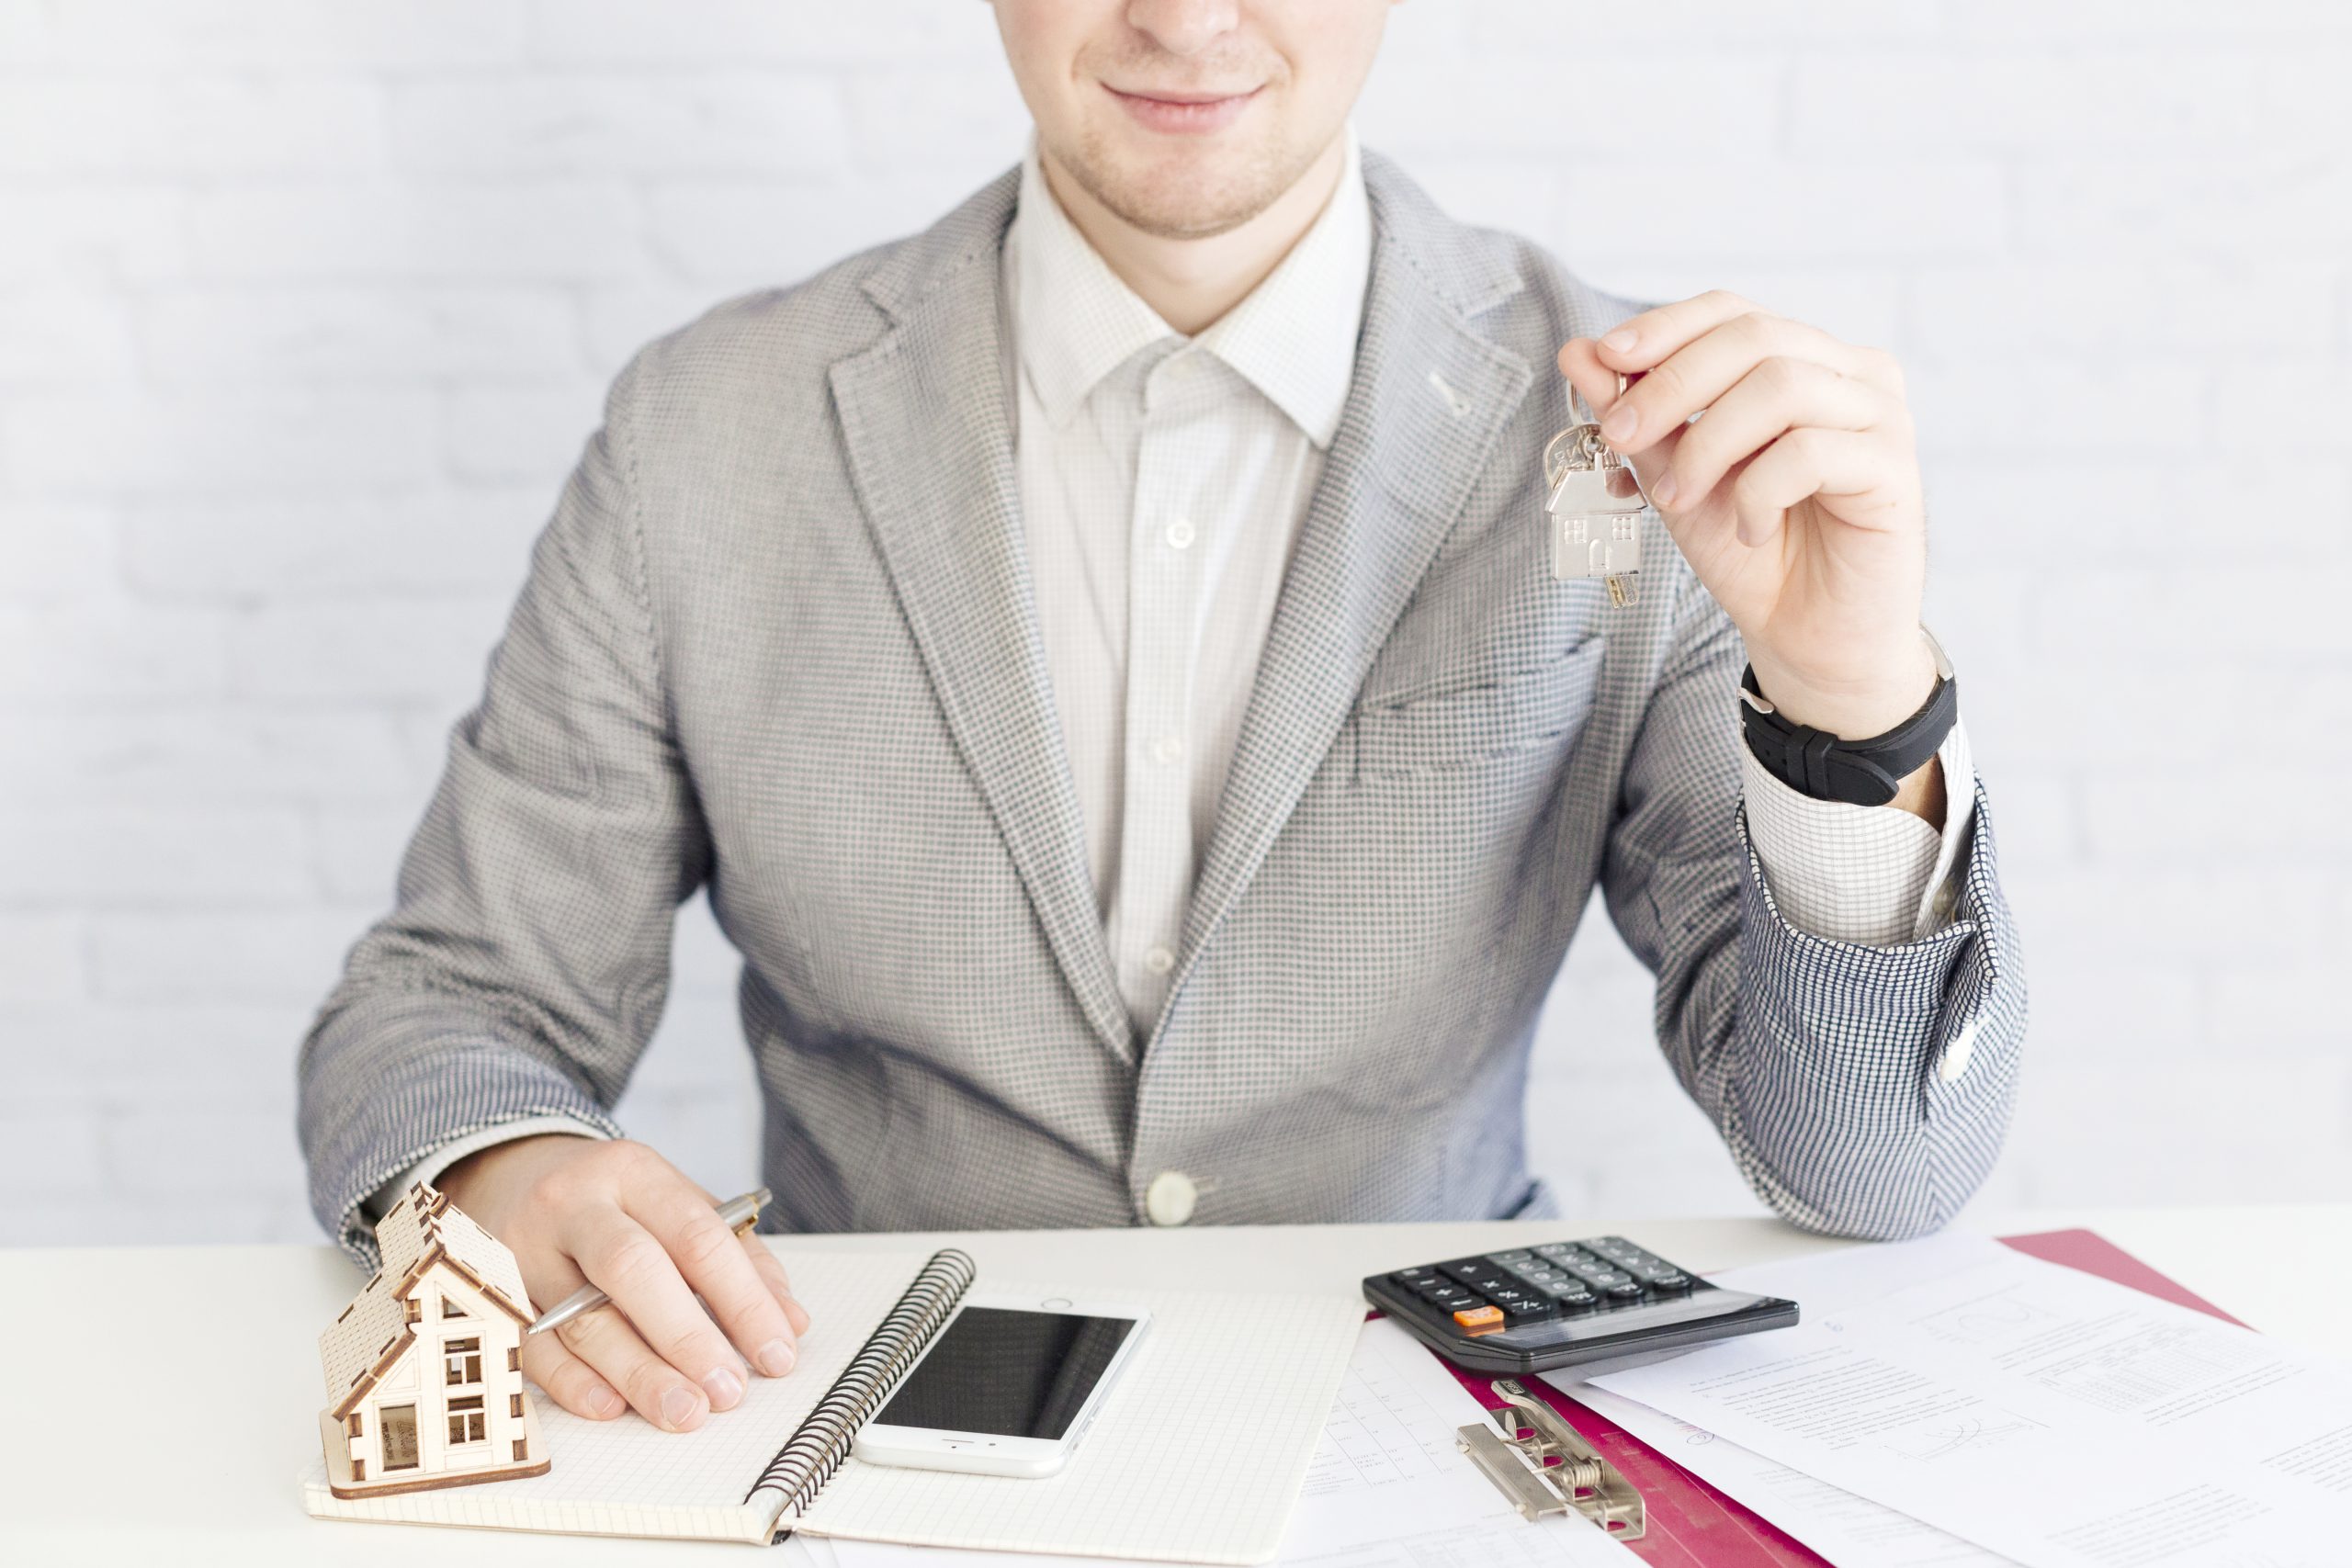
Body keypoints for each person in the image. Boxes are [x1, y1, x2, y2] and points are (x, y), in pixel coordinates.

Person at [299, 0, 2023, 1441]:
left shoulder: (1648, 448)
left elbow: (1875, 1169)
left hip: (1436, 1436)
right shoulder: (707, 430)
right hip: (861, 1428)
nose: (1186, 18)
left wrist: (1850, 701)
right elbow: (446, 1002)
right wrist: (509, 1169)